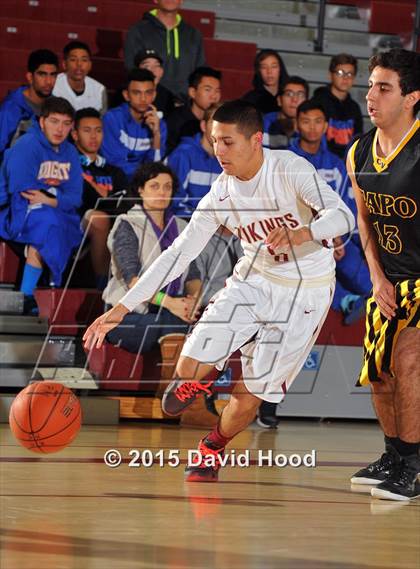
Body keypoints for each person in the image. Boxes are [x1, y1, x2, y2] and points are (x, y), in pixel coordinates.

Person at [84, 99, 354, 482]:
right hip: (254, 279)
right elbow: (178, 255)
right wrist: (122, 308)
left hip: (306, 292)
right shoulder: (220, 196)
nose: (219, 151)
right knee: (187, 367)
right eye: (214, 141)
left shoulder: (290, 169)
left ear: (256, 140)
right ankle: (206, 373)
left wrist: (304, 232)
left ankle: (213, 446)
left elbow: (343, 216)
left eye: (228, 142)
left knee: (249, 395)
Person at [346, 49, 420, 501]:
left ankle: (411, 466)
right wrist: (376, 277)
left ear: (412, 97)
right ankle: (394, 455)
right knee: (380, 374)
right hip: (388, 280)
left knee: (409, 362)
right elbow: (364, 221)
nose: (370, 95)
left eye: (383, 87)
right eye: (371, 85)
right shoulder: (359, 151)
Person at [102, 161, 202, 354]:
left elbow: (193, 274)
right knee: (171, 323)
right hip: (128, 314)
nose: (162, 192)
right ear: (140, 190)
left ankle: (174, 383)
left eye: (167, 187)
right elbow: (132, 280)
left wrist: (193, 303)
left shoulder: (182, 227)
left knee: (198, 323)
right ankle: (173, 385)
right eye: (154, 186)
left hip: (171, 309)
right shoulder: (128, 224)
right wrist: (171, 303)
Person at [289, 99, 372, 320]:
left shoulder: (335, 164)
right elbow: (290, 206)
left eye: (318, 122)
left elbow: (345, 206)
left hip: (334, 232)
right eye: (306, 122)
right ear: (297, 124)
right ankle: (345, 300)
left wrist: (337, 236)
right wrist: (324, 234)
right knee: (316, 256)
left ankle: (375, 295)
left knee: (349, 253)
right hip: (297, 233)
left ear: (326, 126)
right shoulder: (286, 160)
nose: (312, 127)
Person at [0, 97, 82, 314]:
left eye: (66, 124)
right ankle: (31, 294)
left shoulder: (71, 152)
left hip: (52, 209)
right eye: (54, 121)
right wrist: (57, 197)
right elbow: (23, 192)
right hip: (12, 208)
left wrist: (50, 198)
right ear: (42, 121)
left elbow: (76, 197)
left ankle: (46, 289)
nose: (60, 129)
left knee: (59, 223)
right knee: (46, 225)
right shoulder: (26, 146)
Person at [71, 108, 129, 289]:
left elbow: (126, 201)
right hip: (76, 221)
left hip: (112, 221)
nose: (93, 136)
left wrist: (102, 195)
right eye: (87, 131)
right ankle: (102, 285)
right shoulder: (70, 165)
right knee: (100, 218)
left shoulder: (113, 170)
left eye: (98, 130)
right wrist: (104, 196)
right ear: (75, 134)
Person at [124, 0, 205, 100]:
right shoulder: (138, 31)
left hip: (184, 105)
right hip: (150, 103)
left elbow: (200, 72)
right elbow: (132, 70)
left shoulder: (194, 34)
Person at [101, 69, 167, 179]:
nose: (143, 98)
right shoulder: (112, 119)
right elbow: (114, 162)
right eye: (137, 93)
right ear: (126, 95)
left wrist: (156, 135)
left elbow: (156, 166)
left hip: (145, 184)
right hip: (116, 182)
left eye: (148, 93)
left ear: (154, 95)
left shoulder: (159, 125)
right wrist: (146, 175)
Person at [0, 49, 59, 162]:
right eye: (42, 74)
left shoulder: (57, 107)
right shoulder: (10, 109)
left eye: (53, 75)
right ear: (30, 77)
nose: (48, 81)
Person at [167, 103, 222, 217]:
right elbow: (173, 203)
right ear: (203, 126)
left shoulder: (230, 159)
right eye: (215, 123)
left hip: (215, 227)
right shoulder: (183, 154)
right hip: (184, 223)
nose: (220, 130)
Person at [313, 53, 363, 159]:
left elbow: (358, 142)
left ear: (354, 78)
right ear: (330, 75)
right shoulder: (318, 102)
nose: (345, 78)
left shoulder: (354, 108)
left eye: (350, 74)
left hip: (346, 165)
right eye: (340, 73)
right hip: (321, 162)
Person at [165, 66, 222, 154]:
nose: (214, 96)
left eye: (217, 91)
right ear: (192, 92)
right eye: (208, 90)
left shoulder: (221, 121)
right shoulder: (176, 120)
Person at [53, 41, 107, 114]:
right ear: (64, 64)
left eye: (84, 60)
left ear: (90, 65)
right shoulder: (53, 84)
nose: (79, 64)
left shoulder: (99, 90)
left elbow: (101, 121)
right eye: (73, 60)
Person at [263, 76, 308, 149]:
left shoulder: (311, 127)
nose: (294, 100)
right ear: (279, 100)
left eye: (300, 95)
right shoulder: (262, 124)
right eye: (289, 94)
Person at [243, 49, 289, 114]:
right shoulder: (250, 99)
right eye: (264, 67)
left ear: (280, 69)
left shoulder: (289, 95)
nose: (269, 72)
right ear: (258, 71)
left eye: (274, 67)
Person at [135, 49, 177, 117]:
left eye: (156, 65)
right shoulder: (125, 94)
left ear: (161, 72)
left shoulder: (167, 96)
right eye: (146, 66)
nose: (152, 70)